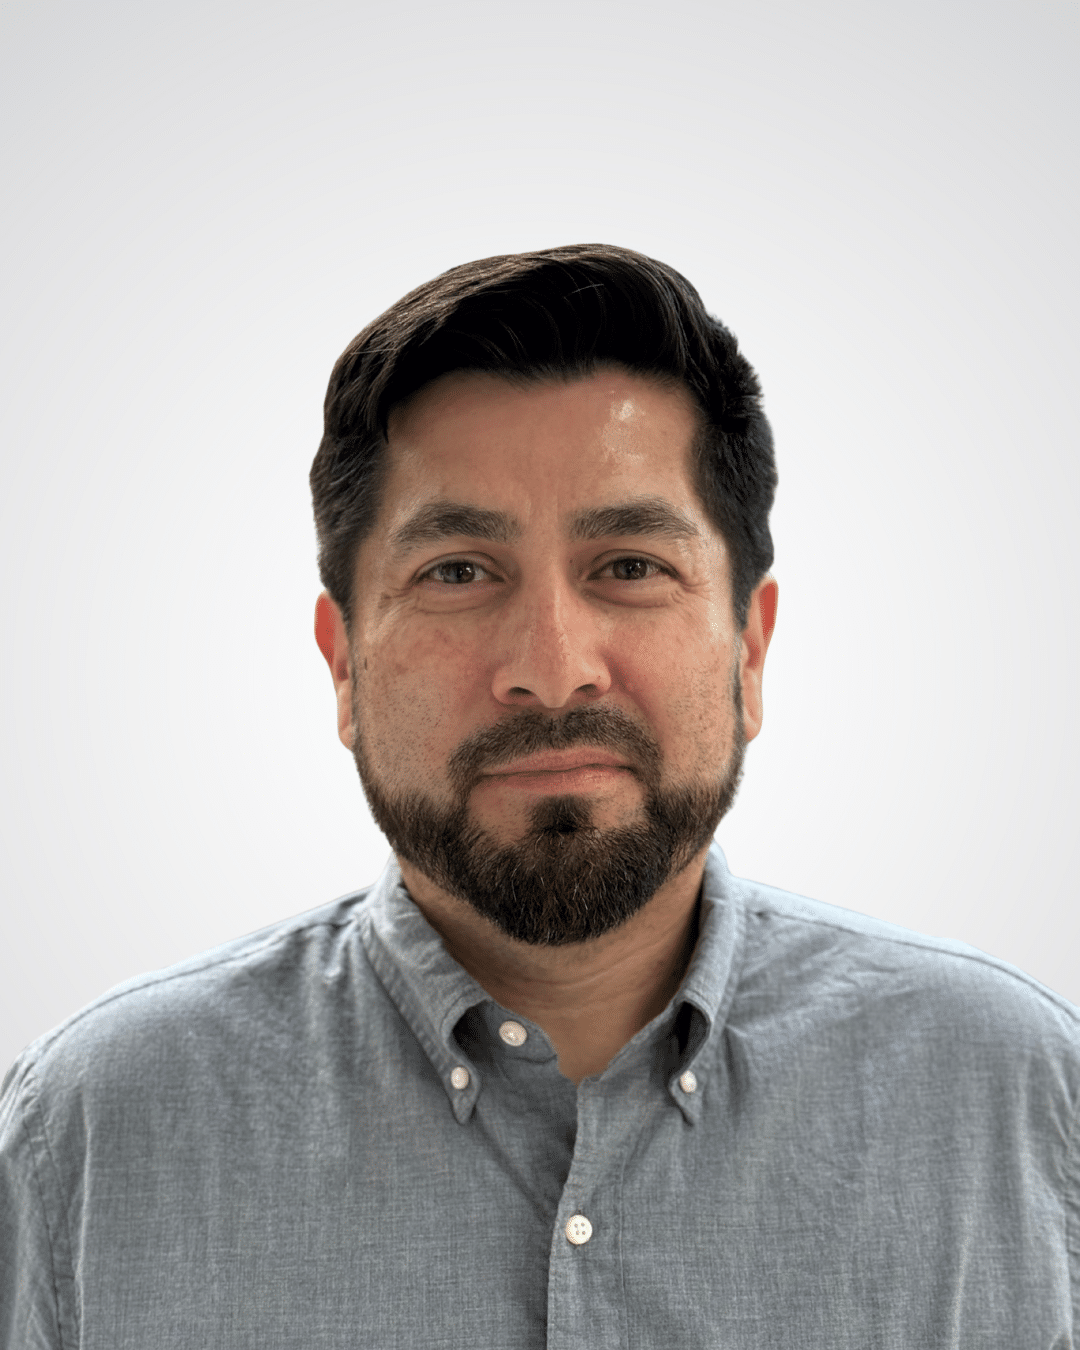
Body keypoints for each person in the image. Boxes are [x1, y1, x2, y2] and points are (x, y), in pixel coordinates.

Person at [1, 244, 1076, 1347]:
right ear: (343, 668)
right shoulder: (91, 1131)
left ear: (749, 652)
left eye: (629, 566)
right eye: (458, 571)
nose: (552, 666)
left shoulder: (1019, 1100)